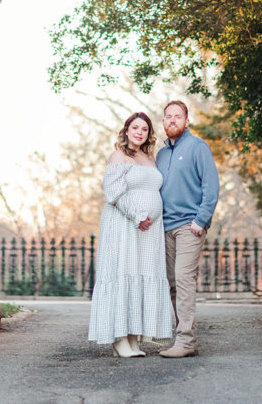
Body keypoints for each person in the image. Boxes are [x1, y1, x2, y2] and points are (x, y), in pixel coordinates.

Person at [88, 112, 173, 357]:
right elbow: (113, 192)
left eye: (144, 129)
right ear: (126, 130)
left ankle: (134, 337)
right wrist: (137, 216)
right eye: (135, 127)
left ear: (149, 134)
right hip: (125, 225)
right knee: (123, 272)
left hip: (149, 232)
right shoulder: (119, 155)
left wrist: (150, 218)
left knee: (141, 275)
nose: (139, 132)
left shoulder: (149, 158)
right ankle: (119, 338)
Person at [156, 100, 219, 358]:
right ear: (163, 121)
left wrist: (200, 220)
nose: (173, 120)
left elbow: (211, 187)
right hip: (165, 226)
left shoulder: (197, 147)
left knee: (183, 279)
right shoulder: (160, 155)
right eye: (168, 116)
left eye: (178, 116)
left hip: (188, 226)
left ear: (186, 120)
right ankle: (182, 337)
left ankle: (186, 341)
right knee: (172, 283)